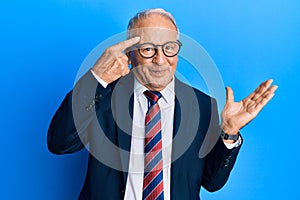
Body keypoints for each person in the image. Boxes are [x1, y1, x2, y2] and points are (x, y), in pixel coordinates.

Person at [47, 8, 278, 200]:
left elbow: (212, 182)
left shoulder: (202, 106)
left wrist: (228, 133)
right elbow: (59, 143)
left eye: (169, 47)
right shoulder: (103, 96)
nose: (160, 59)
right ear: (131, 53)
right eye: (148, 49)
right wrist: (96, 78)